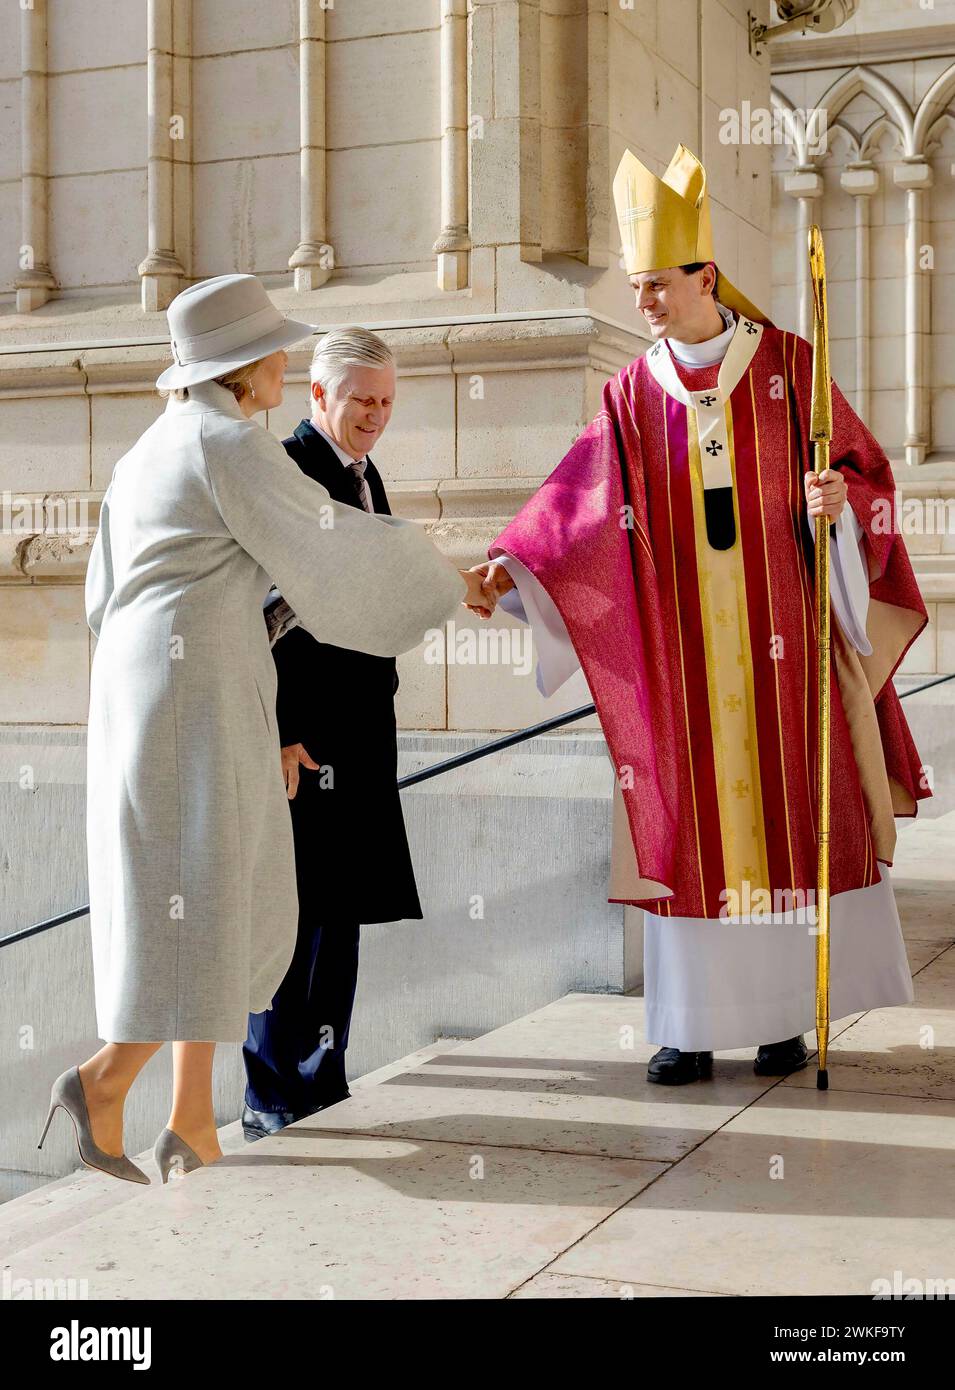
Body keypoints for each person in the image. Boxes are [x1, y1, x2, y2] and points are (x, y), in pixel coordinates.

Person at [469, 145, 930, 1085]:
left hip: (786, 651)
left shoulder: (794, 368)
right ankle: (685, 1026)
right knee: (690, 828)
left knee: (785, 813)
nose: (642, 304)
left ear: (704, 277)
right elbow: (580, 514)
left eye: (655, 286)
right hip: (680, 658)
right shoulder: (629, 394)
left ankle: (779, 1022)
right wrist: (517, 567)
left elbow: (863, 472)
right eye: (635, 286)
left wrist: (832, 511)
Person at [38, 274, 488, 1184]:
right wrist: (451, 582)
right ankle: (121, 1087)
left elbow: (124, 593)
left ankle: (161, 1107)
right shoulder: (225, 443)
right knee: (213, 883)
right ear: (245, 368)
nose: (285, 358)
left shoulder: (155, 447)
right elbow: (330, 546)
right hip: (194, 692)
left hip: (151, 687)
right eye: (275, 347)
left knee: (202, 890)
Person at [241, 328, 423, 1140]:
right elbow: (254, 614)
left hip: (356, 735)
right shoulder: (287, 471)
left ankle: (322, 1082)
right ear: (318, 396)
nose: (377, 417)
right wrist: (276, 732)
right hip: (303, 742)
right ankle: (269, 1095)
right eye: (362, 402)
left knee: (337, 917)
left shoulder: (362, 470)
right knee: (292, 922)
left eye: (387, 402)